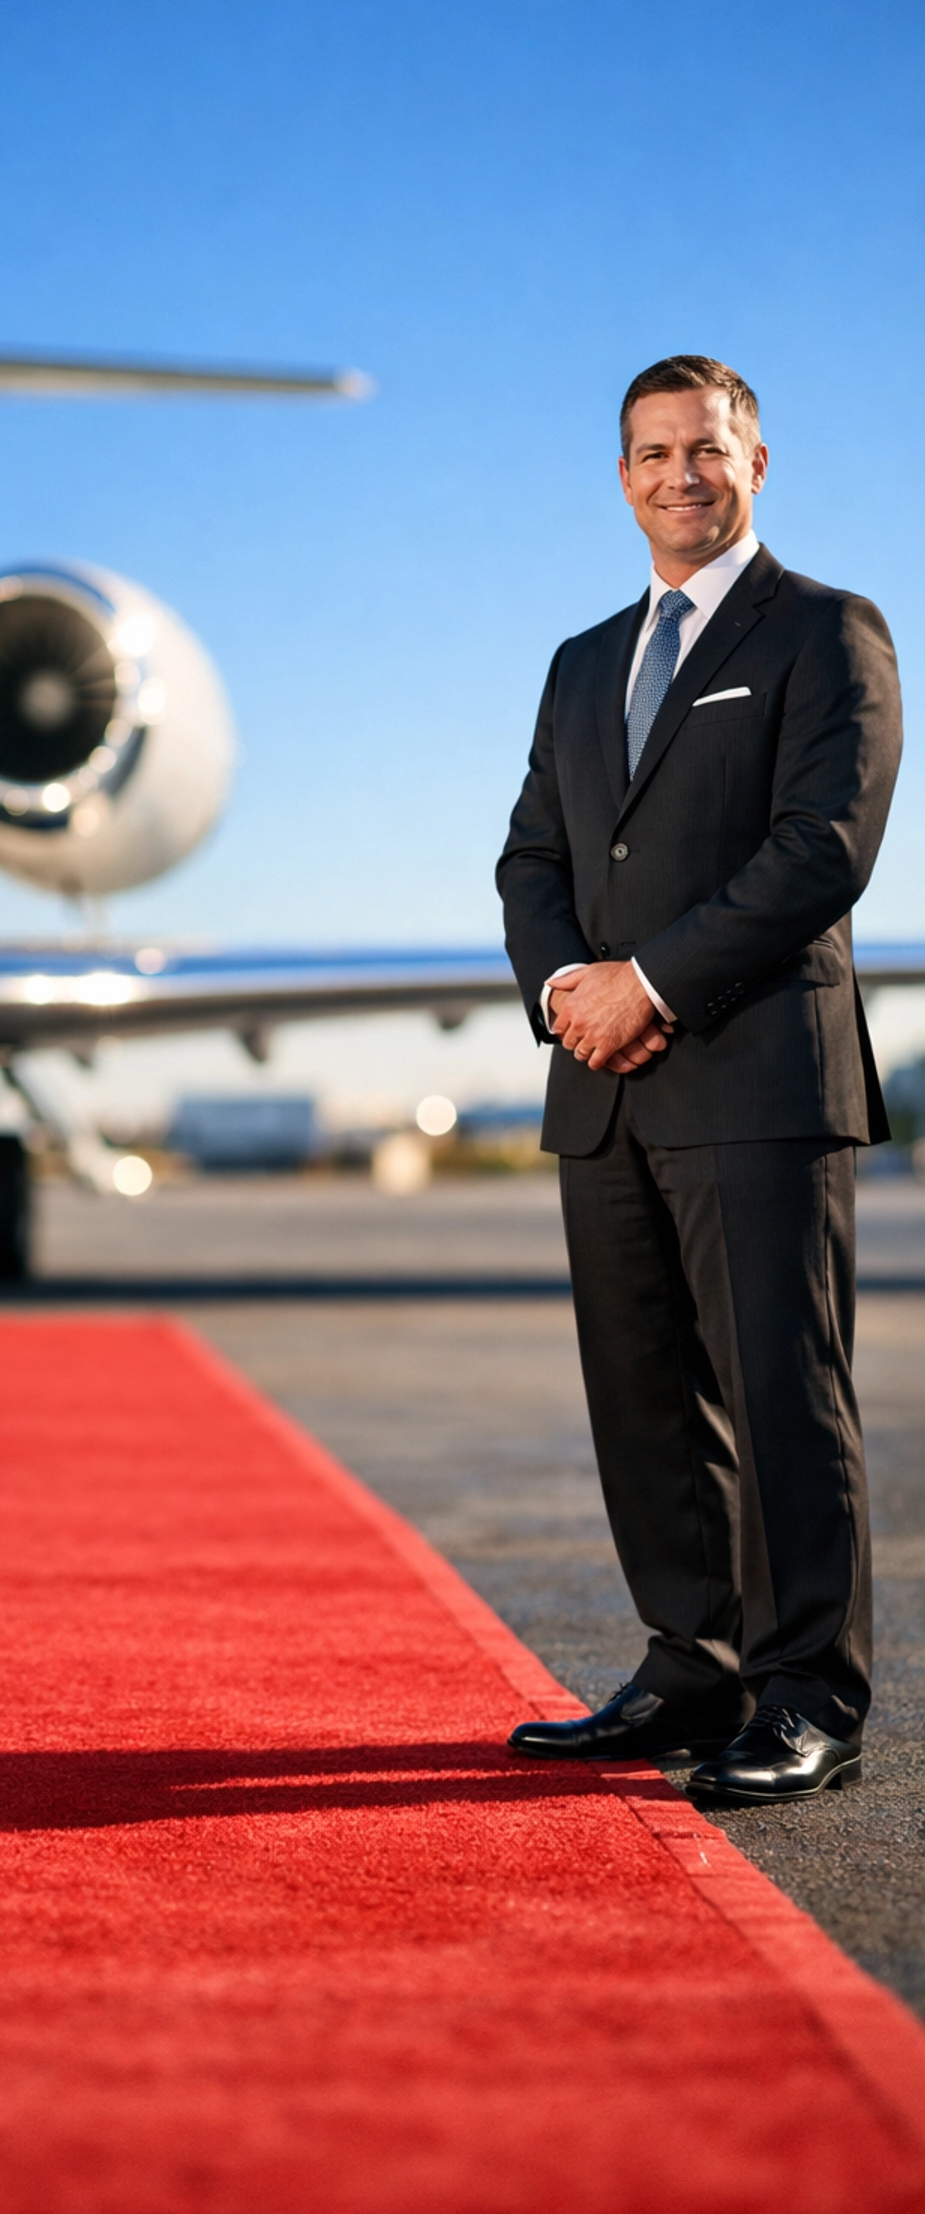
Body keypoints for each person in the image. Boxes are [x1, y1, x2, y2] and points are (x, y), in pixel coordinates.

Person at [496, 355, 902, 1804]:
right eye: (655, 452)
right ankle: (691, 1668)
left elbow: (820, 853)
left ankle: (810, 1698)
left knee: (783, 1397)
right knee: (647, 1402)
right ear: (622, 478)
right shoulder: (580, 662)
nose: (683, 473)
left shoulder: (828, 633)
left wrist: (651, 986)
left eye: (708, 450)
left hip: (756, 1079)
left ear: (758, 463)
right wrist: (567, 995)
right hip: (604, 1088)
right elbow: (533, 859)